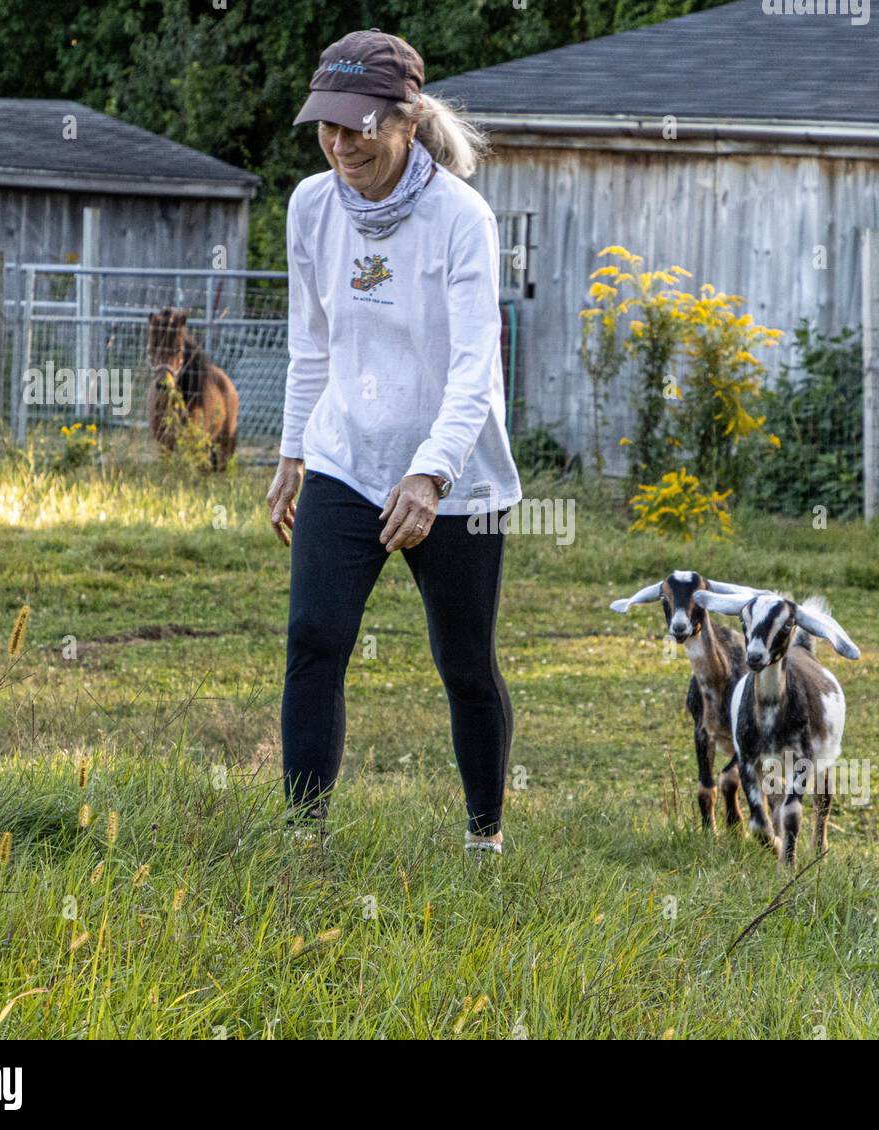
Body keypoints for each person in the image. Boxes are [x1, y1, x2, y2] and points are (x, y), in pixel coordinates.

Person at [265, 29, 522, 854]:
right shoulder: (310, 205)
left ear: (407, 121)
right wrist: (293, 450)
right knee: (314, 637)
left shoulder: (461, 218)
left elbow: (475, 369)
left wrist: (432, 475)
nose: (341, 145)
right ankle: (304, 841)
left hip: (455, 476)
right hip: (346, 456)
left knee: (465, 665)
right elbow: (312, 343)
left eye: (359, 128)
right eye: (327, 128)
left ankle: (485, 840)